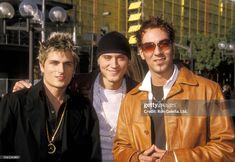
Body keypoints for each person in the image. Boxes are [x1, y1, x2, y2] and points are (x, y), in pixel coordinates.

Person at [112, 17, 235, 162]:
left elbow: (227, 149)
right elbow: (120, 147)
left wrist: (177, 158)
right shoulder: (131, 99)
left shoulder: (208, 91)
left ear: (173, 47)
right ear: (141, 53)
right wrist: (137, 157)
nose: (157, 52)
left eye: (163, 44)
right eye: (149, 47)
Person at [12, 31, 138, 162]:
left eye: (120, 58)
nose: (114, 64)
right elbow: (51, 88)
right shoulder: (78, 84)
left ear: (128, 61)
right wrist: (25, 92)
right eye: (107, 57)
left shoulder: (140, 92)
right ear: (98, 60)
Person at [0, 32, 101, 162]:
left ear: (74, 68)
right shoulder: (14, 103)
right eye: (54, 63)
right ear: (42, 66)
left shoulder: (84, 108)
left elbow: (92, 156)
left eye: (67, 64)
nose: (61, 70)